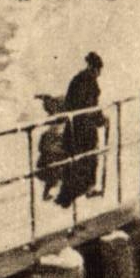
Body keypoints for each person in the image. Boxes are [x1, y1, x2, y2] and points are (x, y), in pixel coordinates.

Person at [56, 52, 106, 208]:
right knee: (87, 159)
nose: (99, 73)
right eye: (98, 69)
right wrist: (101, 120)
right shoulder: (88, 82)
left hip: (74, 128)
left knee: (76, 162)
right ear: (94, 68)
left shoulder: (78, 79)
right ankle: (78, 195)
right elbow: (90, 106)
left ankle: (67, 197)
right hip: (84, 130)